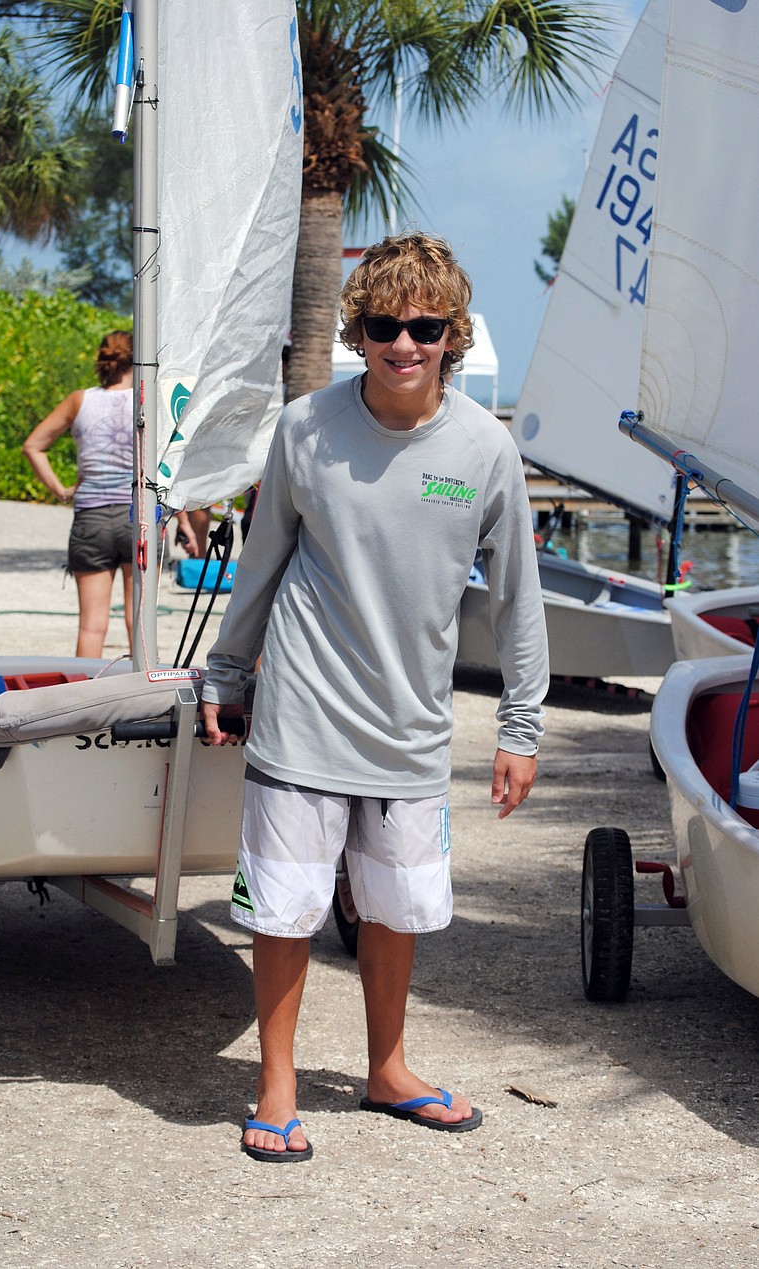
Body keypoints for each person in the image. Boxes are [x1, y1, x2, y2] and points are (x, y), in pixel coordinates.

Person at [201, 232, 549, 1163]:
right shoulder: (307, 428)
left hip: (412, 726)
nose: (405, 343)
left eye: (425, 326)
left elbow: (518, 599)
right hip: (303, 710)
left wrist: (521, 725)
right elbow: (261, 564)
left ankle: (386, 1069)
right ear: (359, 331)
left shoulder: (485, 450)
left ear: (452, 335)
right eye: (386, 325)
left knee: (394, 907)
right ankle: (276, 1085)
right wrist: (227, 677)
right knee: (284, 908)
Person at [23, 330, 135, 658]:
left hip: (90, 518)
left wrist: (60, 490)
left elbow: (33, 446)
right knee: (138, 620)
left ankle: (83, 701)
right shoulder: (149, 399)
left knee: (91, 625)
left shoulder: (80, 400)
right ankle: (143, 695)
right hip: (137, 515)